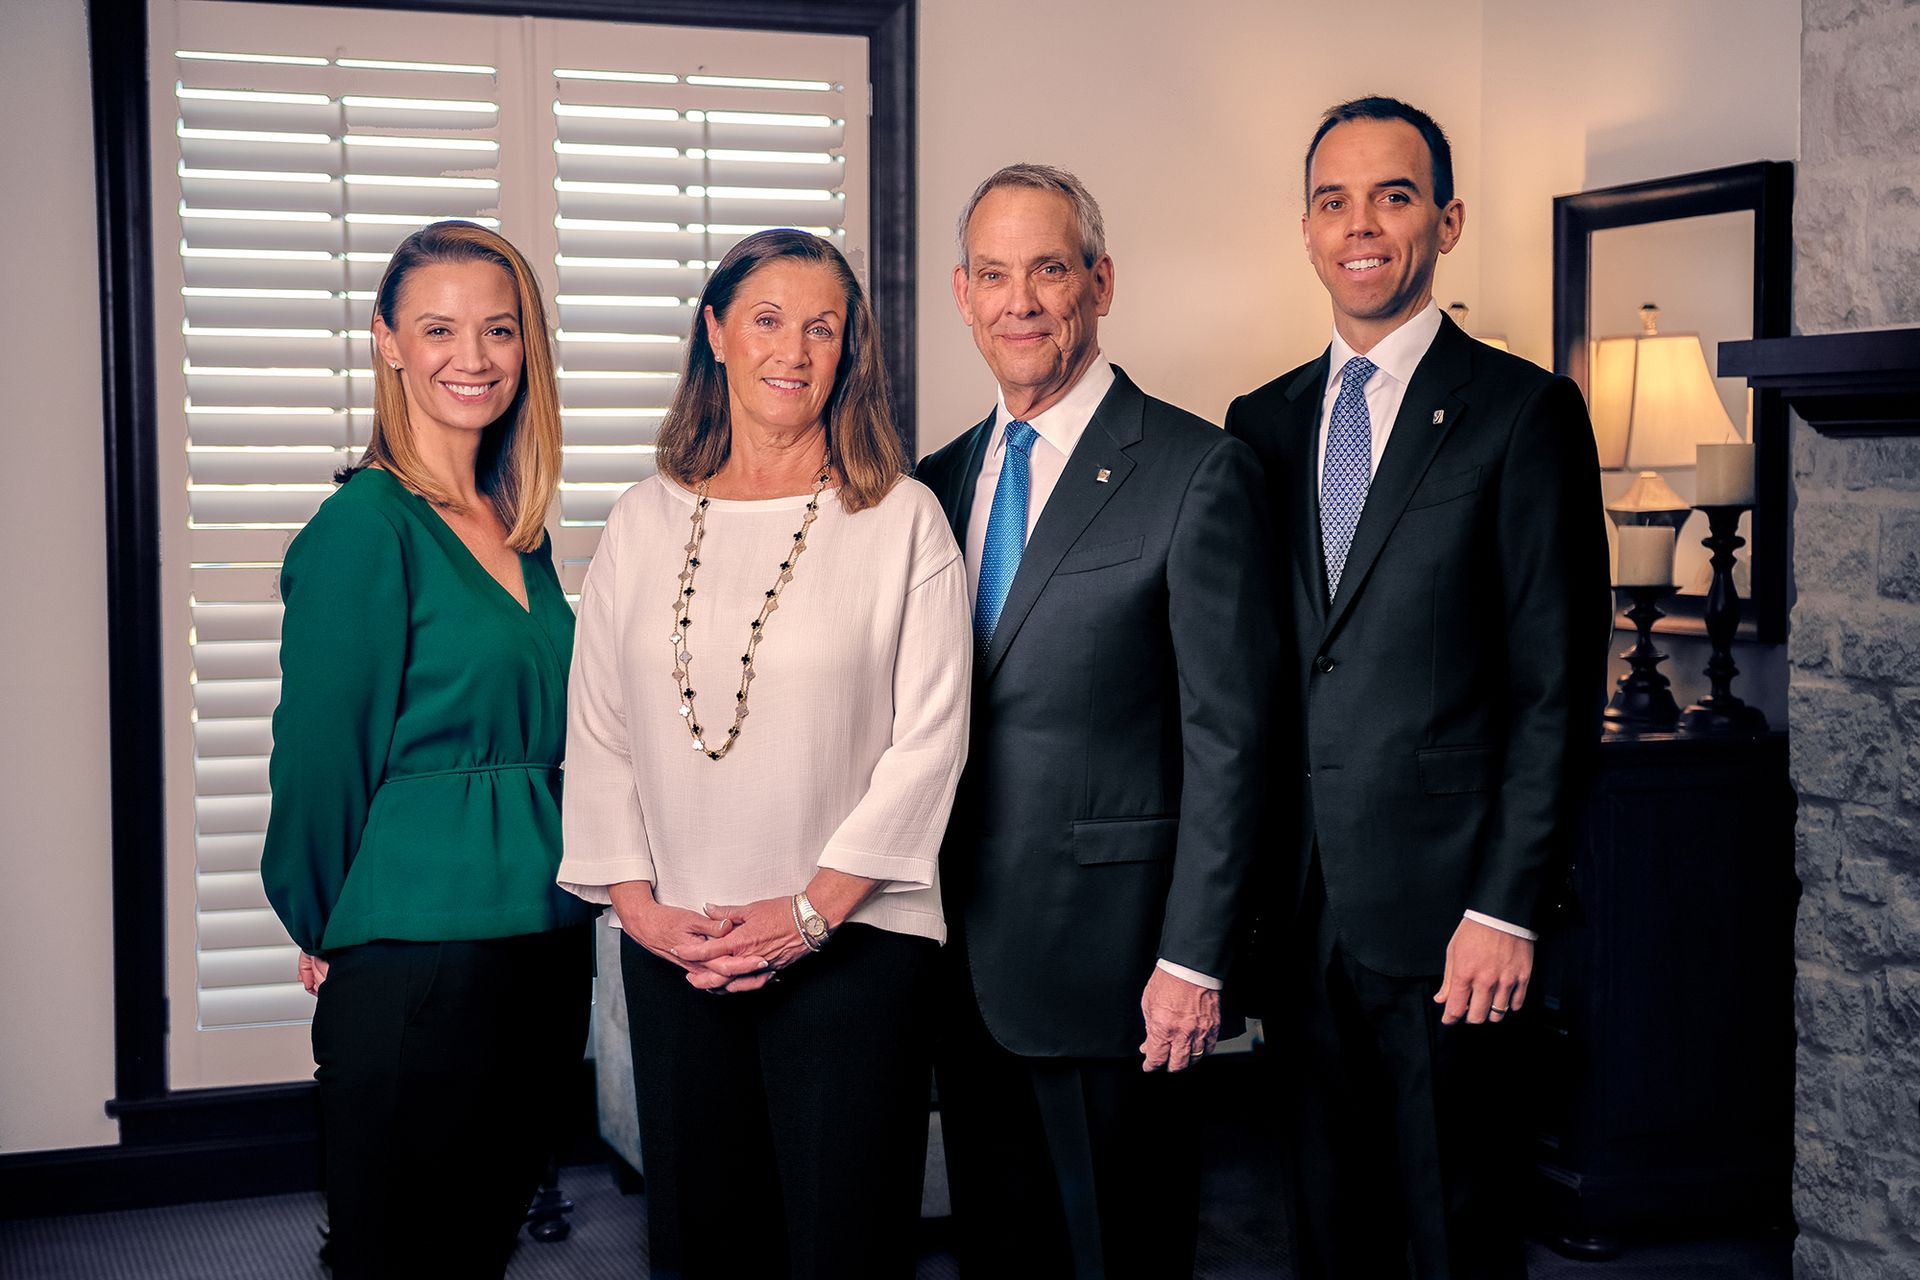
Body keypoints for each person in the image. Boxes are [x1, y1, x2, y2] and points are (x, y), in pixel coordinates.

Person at [1223, 98, 1611, 1278]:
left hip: (1453, 918)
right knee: (1328, 1233)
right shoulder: (1262, 423)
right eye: (1334, 200)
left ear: (1443, 219)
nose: (1362, 224)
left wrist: (1507, 907)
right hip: (1300, 915)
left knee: (1456, 1229)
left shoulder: (1522, 411)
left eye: (1392, 196)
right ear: (1304, 229)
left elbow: (1557, 687)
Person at [557, 228, 970, 1279]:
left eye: (822, 326)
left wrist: (808, 911)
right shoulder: (644, 520)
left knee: (844, 1242)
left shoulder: (901, 518)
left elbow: (931, 739)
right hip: (677, 944)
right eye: (768, 319)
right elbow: (599, 730)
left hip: (855, 944)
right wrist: (642, 910)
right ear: (717, 334)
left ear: (850, 353)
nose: (794, 349)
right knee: (701, 1240)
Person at [915, 164, 1276, 1278]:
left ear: (1100, 282)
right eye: (994, 274)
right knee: (1001, 1252)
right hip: (957, 963)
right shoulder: (933, 483)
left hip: (1117, 969)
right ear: (962, 295)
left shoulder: (1194, 469)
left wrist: (1194, 956)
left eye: (1050, 268)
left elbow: (1232, 738)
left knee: (1122, 1254)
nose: (1020, 299)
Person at [260, 220, 598, 1278]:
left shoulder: (520, 529)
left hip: (544, 943)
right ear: (389, 342)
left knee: (480, 1246)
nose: (475, 355)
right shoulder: (366, 526)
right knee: (400, 1255)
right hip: (416, 962)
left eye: (501, 330)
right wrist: (327, 921)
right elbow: (316, 763)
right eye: (440, 327)